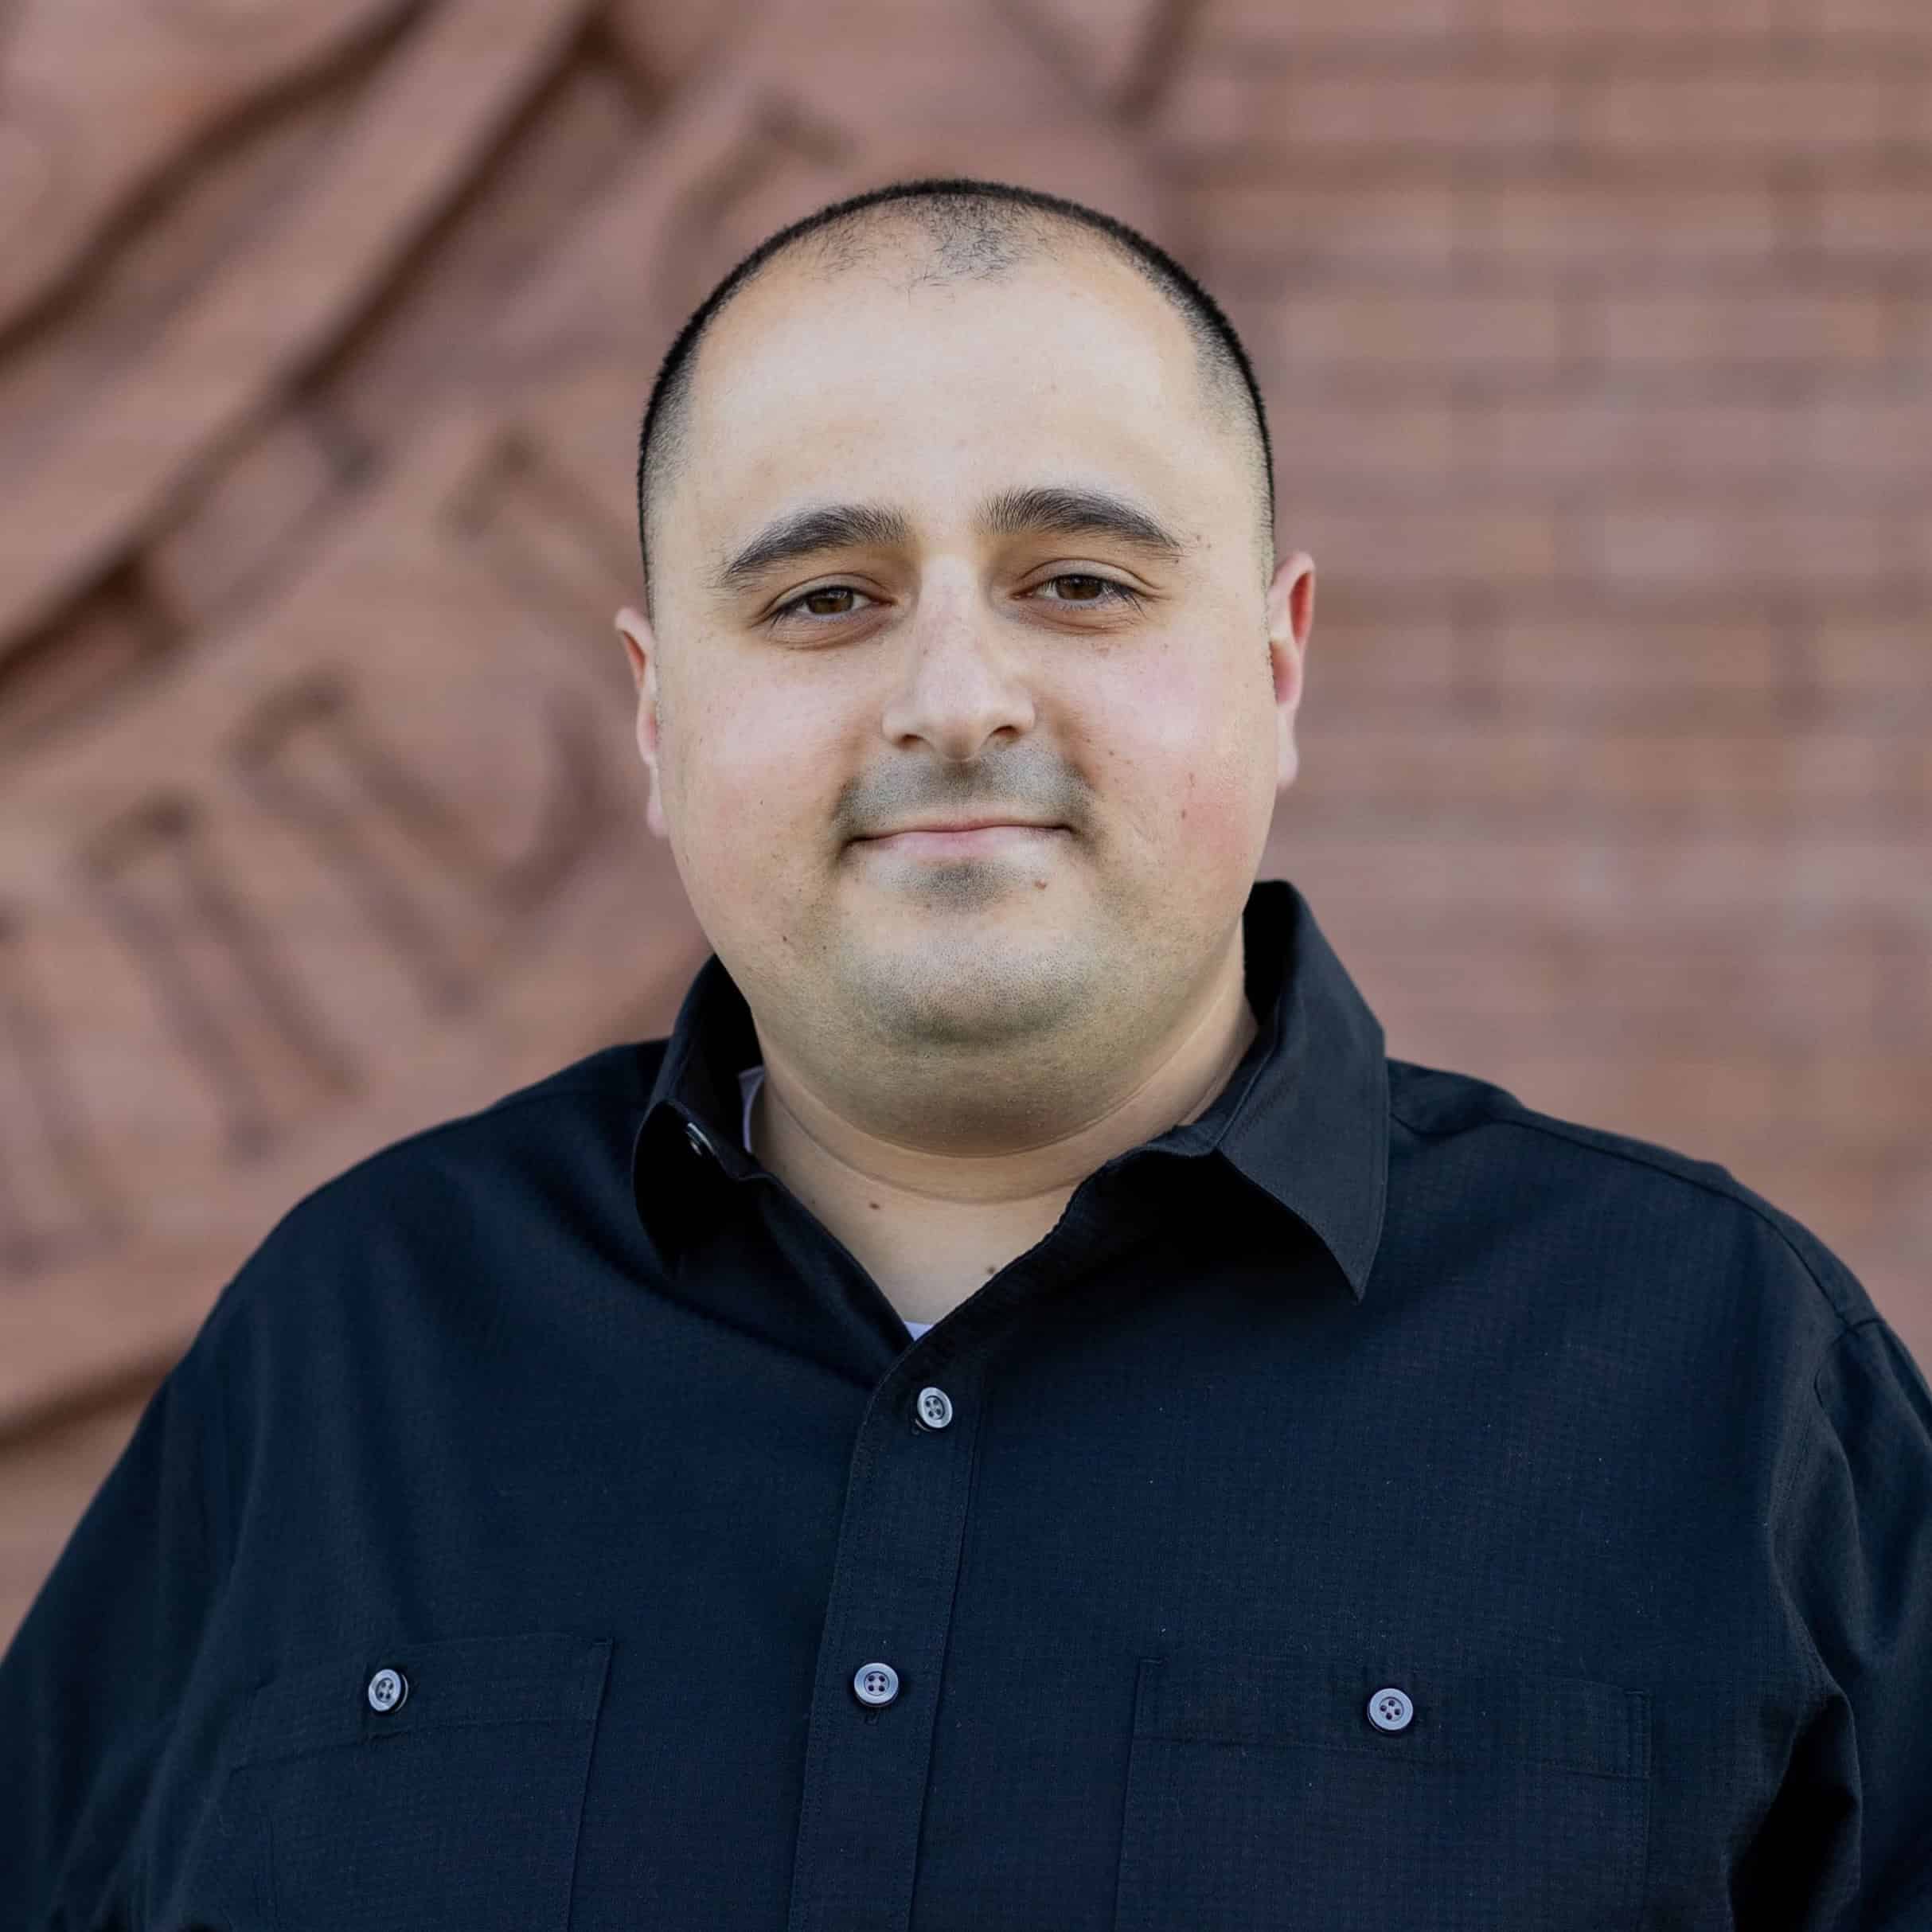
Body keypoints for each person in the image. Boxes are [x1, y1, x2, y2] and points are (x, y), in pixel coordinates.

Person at [3, 174, 1928, 1932]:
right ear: (658, 716)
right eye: (823, 598)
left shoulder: (1719, 1379)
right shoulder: (355, 1347)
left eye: (1076, 580)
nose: (953, 696)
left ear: (1274, 669)